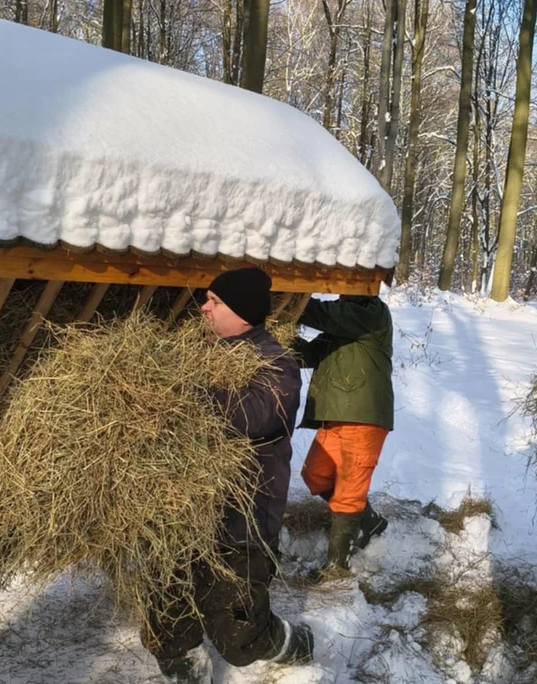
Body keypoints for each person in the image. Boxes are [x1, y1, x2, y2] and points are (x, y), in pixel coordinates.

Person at [143, 267, 314, 684]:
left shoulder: (276, 365)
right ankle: (185, 667)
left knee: (238, 636)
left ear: (241, 310)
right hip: (183, 511)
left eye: (214, 301)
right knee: (166, 605)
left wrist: (180, 394)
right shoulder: (200, 353)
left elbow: (246, 415)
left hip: (243, 521)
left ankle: (292, 642)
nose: (203, 307)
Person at [293, 294, 394, 574]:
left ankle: (337, 566)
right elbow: (309, 355)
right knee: (315, 474)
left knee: (349, 491)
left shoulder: (371, 313)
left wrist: (292, 300)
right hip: (335, 417)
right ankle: (369, 521)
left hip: (363, 417)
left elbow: (326, 315)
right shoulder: (342, 323)